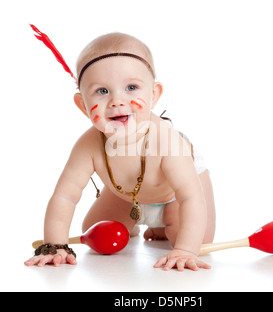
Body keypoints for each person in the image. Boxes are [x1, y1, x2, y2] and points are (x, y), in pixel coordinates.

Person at [24, 31, 216, 271]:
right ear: (82, 105)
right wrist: (54, 245)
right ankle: (136, 221)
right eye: (102, 91)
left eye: (131, 87)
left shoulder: (166, 140)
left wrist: (186, 250)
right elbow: (66, 195)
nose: (117, 100)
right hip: (126, 193)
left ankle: (166, 220)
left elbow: (190, 196)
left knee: (195, 240)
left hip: (177, 195)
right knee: (95, 232)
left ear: (153, 95)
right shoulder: (88, 145)